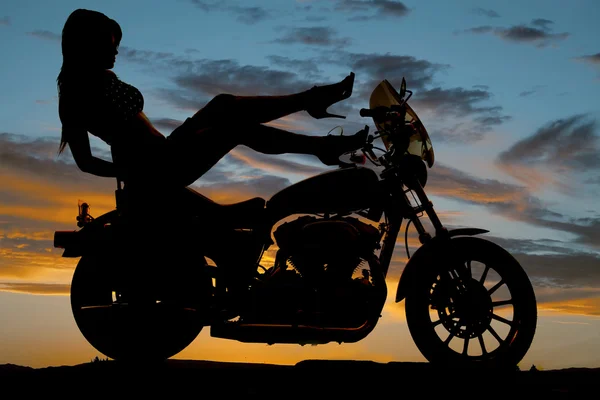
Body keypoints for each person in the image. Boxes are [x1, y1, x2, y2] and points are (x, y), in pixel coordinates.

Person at [57, 9, 367, 194]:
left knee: (223, 104)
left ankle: (310, 102)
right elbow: (85, 162)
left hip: (167, 150)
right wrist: (127, 174)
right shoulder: (75, 95)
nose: (116, 52)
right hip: (157, 170)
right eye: (109, 45)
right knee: (234, 127)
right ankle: (322, 146)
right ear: (87, 46)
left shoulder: (103, 81)